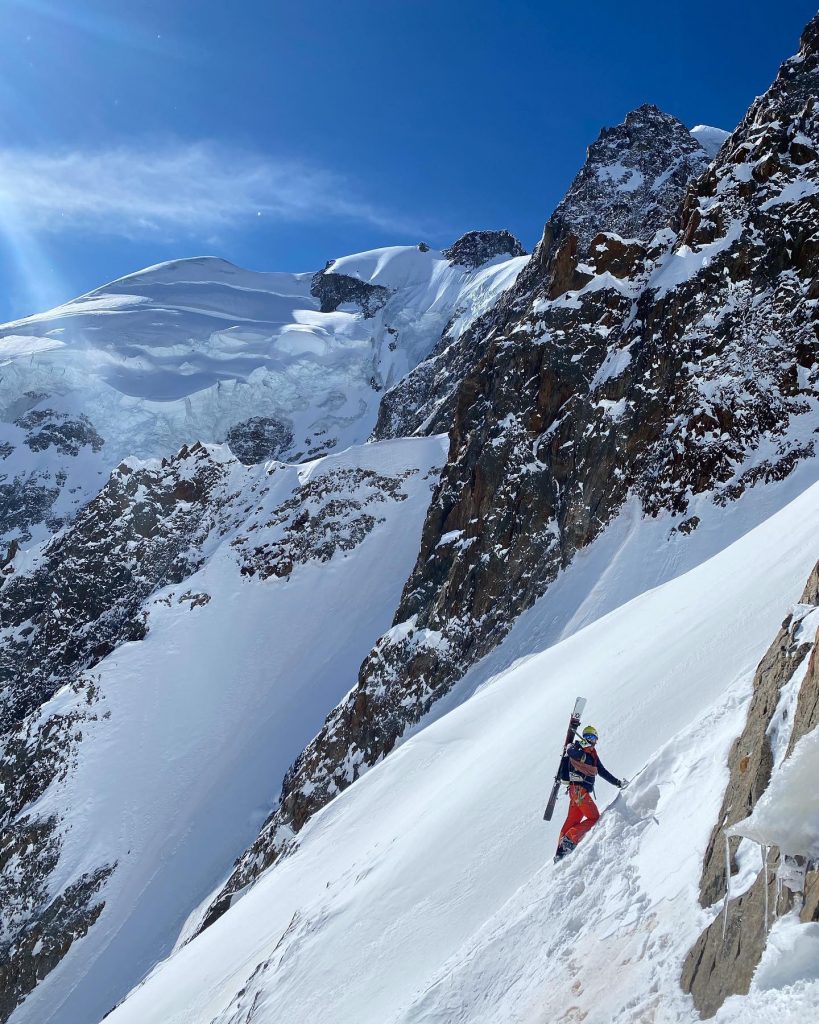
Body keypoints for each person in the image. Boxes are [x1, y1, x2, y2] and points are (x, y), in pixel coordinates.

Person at [554, 724, 626, 862]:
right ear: (584, 737)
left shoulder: (593, 755)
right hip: (579, 791)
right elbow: (570, 751)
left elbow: (602, 771)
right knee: (594, 818)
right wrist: (581, 746)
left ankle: (560, 850)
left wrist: (617, 783)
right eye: (588, 737)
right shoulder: (579, 748)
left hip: (577, 793)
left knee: (573, 821)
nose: (591, 740)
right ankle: (569, 839)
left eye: (593, 737)